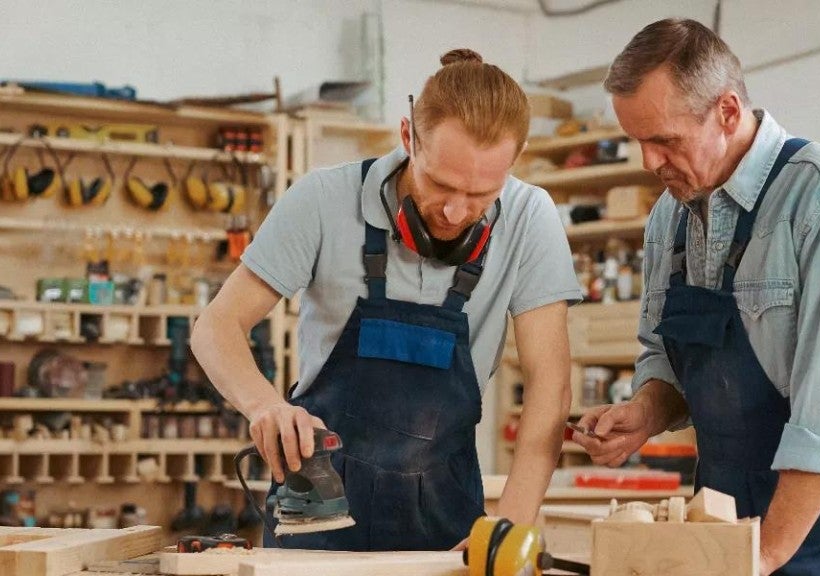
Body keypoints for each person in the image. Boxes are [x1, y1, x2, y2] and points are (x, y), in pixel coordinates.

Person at [192, 48, 580, 551]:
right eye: (440, 183)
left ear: (516, 158)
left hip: (446, 514)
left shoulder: (530, 218)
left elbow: (550, 386)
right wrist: (263, 405)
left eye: (482, 193)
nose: (455, 211)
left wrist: (507, 529)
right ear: (407, 137)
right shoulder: (322, 200)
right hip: (318, 507)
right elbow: (215, 326)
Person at [572, 19, 820, 575]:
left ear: (727, 112)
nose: (647, 163)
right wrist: (644, 412)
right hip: (724, 511)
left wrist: (767, 554)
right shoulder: (670, 215)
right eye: (638, 141)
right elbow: (667, 356)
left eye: (664, 140)